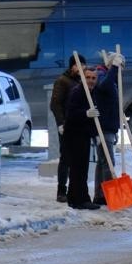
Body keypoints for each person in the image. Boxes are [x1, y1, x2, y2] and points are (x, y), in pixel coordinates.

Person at [63, 66, 101, 210]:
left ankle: (75, 198)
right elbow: (71, 114)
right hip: (74, 136)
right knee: (78, 168)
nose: (91, 81)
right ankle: (80, 199)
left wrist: (94, 134)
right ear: (82, 78)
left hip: (84, 135)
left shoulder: (91, 93)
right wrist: (85, 113)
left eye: (93, 78)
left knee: (81, 168)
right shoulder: (77, 92)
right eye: (88, 77)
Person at [90, 53, 124, 206]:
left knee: (103, 162)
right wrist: (114, 68)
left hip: (108, 126)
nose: (121, 70)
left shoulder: (108, 77)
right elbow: (105, 85)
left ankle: (99, 195)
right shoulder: (102, 75)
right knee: (109, 163)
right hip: (104, 127)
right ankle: (108, 196)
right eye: (120, 66)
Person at [50, 56, 84, 203]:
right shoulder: (62, 81)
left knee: (78, 159)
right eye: (78, 65)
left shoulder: (81, 81)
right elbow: (55, 104)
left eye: (83, 65)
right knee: (66, 159)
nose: (81, 68)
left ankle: (74, 189)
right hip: (67, 126)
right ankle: (61, 191)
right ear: (72, 67)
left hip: (79, 126)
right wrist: (61, 123)